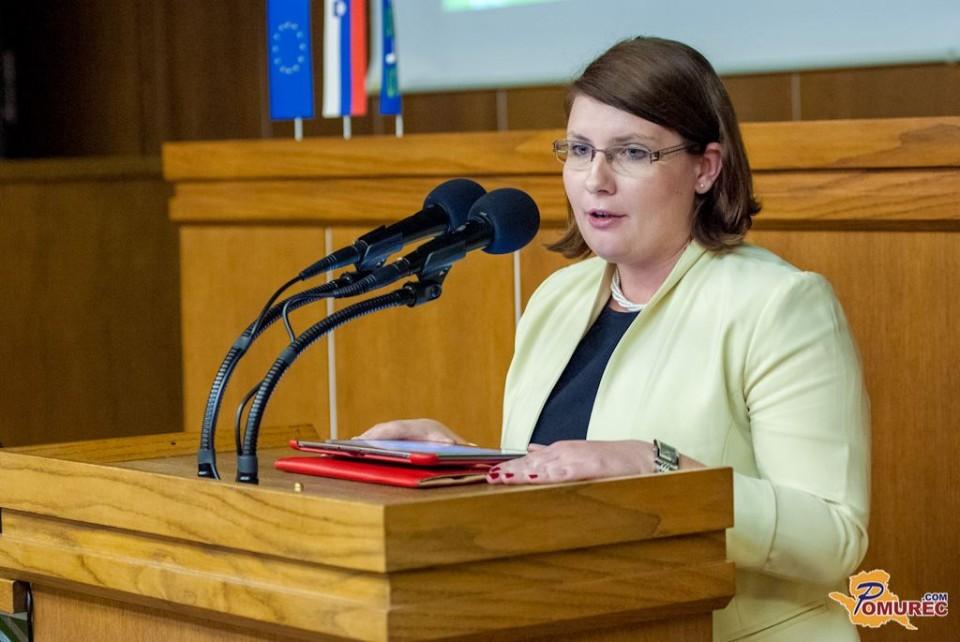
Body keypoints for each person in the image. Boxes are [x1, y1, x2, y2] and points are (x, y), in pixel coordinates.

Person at [360, 37, 870, 641]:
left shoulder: (778, 305)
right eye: (580, 150)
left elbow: (833, 540)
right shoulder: (557, 299)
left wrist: (658, 467)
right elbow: (570, 490)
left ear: (705, 168)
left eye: (631, 153)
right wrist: (460, 464)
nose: (595, 180)